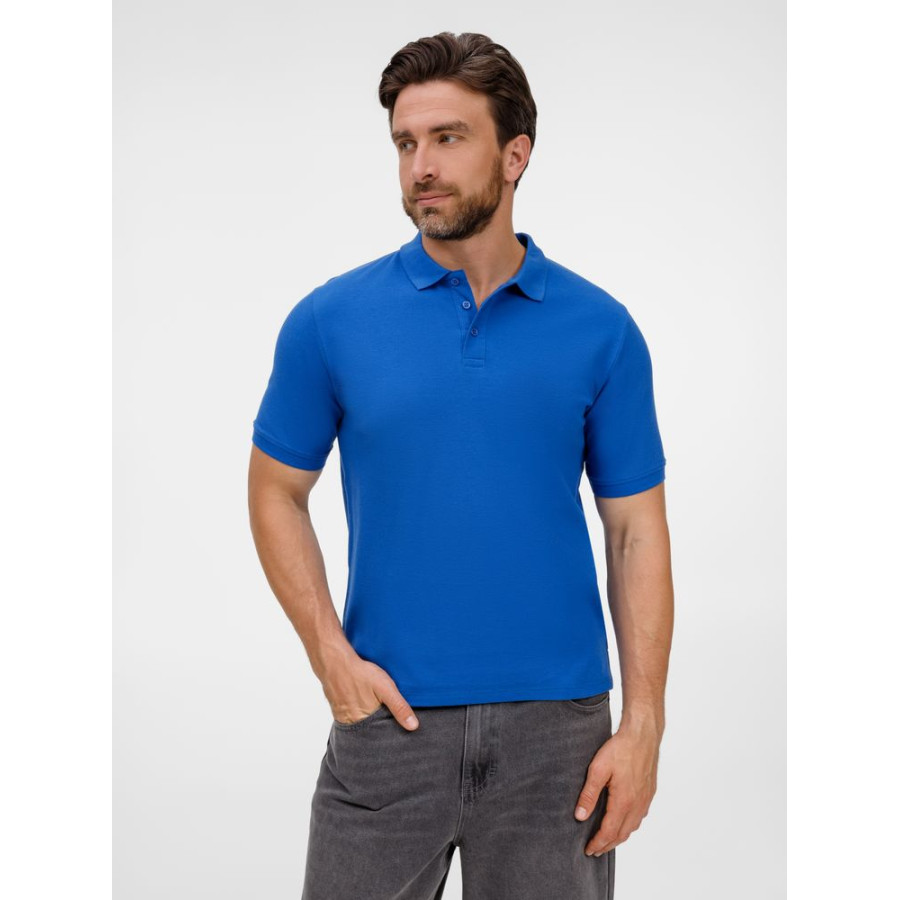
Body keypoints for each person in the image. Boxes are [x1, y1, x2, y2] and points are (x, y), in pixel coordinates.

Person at [248, 30, 674, 900]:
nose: (421, 168)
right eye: (406, 143)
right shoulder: (329, 321)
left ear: (515, 155)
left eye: (448, 138)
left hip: (559, 741)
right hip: (387, 724)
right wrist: (329, 654)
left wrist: (644, 727)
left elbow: (636, 529)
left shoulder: (602, 330)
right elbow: (275, 491)